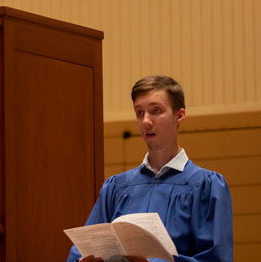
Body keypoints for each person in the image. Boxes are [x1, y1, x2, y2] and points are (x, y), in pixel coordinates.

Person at [67, 75, 233, 262]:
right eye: (140, 113)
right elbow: (80, 252)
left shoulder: (205, 186)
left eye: (156, 110)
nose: (146, 121)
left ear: (179, 116)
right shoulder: (115, 188)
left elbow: (215, 258)